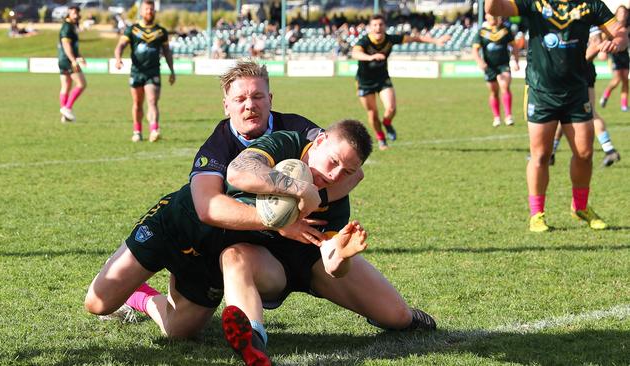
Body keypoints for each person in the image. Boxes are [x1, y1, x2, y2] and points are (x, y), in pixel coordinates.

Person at [89, 60, 361, 336]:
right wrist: (280, 221)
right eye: (240, 99)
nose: (250, 105)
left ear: (270, 99)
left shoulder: (300, 130)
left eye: (257, 96)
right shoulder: (218, 147)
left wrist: (317, 195)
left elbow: (352, 171)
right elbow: (208, 208)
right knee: (97, 303)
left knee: (178, 332)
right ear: (226, 105)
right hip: (176, 225)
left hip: (213, 245)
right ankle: (134, 284)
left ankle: (144, 298)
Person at [218, 121, 436, 365]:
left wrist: (342, 255)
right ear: (319, 141)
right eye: (333, 162)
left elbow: (333, 268)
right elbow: (238, 171)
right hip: (265, 260)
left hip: (311, 265)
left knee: (396, 316)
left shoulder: (337, 196)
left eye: (347, 172)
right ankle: (253, 340)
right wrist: (302, 190)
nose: (335, 176)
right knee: (233, 257)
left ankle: (408, 318)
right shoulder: (286, 142)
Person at [485, 0, 626, 232]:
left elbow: (619, 33)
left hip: (576, 90)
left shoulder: (591, 4)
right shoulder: (534, 3)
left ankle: (580, 207)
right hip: (542, 91)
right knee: (540, 155)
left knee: (584, 153)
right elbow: (494, 9)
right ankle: (537, 214)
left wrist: (618, 42)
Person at [351, 14, 450, 150]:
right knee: (373, 113)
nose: (378, 27)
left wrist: (436, 41)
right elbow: (355, 53)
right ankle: (381, 139)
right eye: (375, 25)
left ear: (384, 26)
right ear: (370, 27)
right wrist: (371, 57)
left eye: (380, 24)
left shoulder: (390, 39)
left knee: (391, 108)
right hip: (364, 82)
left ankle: (387, 123)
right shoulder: (364, 41)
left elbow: (416, 38)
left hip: (382, 79)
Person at [550, 27, 622, 168]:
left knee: (587, 113)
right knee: (565, 112)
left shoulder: (586, 17)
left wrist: (579, 61)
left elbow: (599, 50)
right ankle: (551, 153)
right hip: (578, 71)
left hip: (579, 71)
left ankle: (609, 149)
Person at [114, 0, 175, 142]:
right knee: (137, 103)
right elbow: (120, 46)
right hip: (136, 72)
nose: (150, 12)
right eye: (147, 9)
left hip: (153, 72)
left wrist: (172, 71)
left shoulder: (161, 31)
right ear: (141, 12)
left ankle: (154, 130)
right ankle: (137, 131)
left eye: (152, 9)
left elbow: (167, 52)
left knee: (152, 101)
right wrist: (118, 58)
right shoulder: (132, 30)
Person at [472, 14, 520, 127]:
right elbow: (475, 50)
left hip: (503, 65)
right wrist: (480, 62)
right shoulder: (482, 32)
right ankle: (497, 117)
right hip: (490, 67)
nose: (494, 18)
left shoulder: (505, 30)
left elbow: (514, 47)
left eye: (496, 16)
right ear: (486, 17)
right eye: (492, 16)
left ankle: (508, 115)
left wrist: (516, 61)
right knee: (494, 92)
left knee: (505, 86)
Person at [58, 5, 87, 123]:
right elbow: (66, 45)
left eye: (77, 12)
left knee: (66, 86)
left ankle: (65, 116)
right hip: (68, 60)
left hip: (63, 59)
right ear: (69, 13)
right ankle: (67, 108)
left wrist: (80, 56)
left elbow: (74, 46)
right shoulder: (67, 27)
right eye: (74, 12)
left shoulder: (72, 26)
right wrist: (73, 60)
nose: (76, 15)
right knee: (81, 84)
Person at [600, 6, 630, 111]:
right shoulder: (611, 24)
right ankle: (605, 95)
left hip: (624, 54)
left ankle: (624, 104)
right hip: (614, 55)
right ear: (617, 14)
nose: (623, 14)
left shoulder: (628, 24)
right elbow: (604, 37)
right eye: (621, 12)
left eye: (625, 12)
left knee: (625, 80)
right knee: (616, 80)